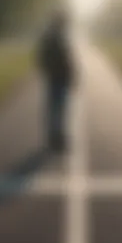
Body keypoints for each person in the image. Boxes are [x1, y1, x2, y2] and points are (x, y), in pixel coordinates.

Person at [37, 12, 75, 153]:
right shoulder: (58, 38)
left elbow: (41, 58)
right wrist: (71, 75)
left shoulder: (50, 37)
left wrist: (47, 71)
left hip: (54, 77)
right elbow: (66, 59)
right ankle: (56, 138)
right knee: (58, 109)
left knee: (54, 108)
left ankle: (55, 137)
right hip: (59, 77)